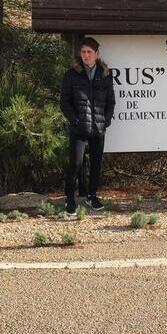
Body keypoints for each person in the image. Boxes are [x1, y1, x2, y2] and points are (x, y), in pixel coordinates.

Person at [60, 37, 115, 215]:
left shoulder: (105, 75)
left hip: (98, 129)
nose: (86, 55)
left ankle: (92, 196)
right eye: (83, 52)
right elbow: (64, 102)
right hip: (79, 129)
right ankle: (70, 199)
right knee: (75, 164)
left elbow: (111, 102)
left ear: (97, 54)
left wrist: (106, 120)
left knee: (96, 165)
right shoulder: (72, 74)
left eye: (89, 52)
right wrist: (74, 120)